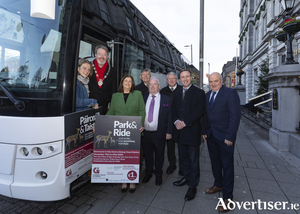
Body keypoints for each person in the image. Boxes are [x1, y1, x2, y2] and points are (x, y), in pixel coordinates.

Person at [202, 72, 241, 212]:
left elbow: (235, 116)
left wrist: (230, 136)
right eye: (211, 81)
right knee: (215, 163)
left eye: (216, 81)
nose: (213, 84)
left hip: (225, 138)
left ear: (222, 81)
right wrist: (204, 131)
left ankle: (228, 198)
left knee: (227, 166)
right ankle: (218, 184)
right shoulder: (207, 95)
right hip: (211, 136)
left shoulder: (230, 93)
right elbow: (206, 115)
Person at [106, 75, 145, 194]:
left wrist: (141, 124)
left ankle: (132, 180)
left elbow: (142, 110)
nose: (127, 83)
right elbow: (111, 111)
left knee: (133, 157)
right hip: (120, 130)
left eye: (130, 81)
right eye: (125, 81)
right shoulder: (115, 96)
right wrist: (100, 124)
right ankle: (124, 180)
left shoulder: (137, 94)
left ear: (132, 83)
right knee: (122, 156)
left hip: (133, 130)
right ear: (122, 83)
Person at [171, 69, 206, 201]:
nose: (185, 79)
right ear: (180, 79)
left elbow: (199, 111)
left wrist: (185, 122)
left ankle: (193, 186)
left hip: (192, 132)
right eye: (182, 77)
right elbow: (173, 108)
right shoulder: (178, 92)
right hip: (180, 132)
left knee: (193, 161)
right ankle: (186, 178)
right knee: (183, 159)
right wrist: (176, 122)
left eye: (187, 77)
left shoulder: (199, 93)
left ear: (191, 78)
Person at [142, 77, 172, 186]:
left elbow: (170, 117)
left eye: (155, 84)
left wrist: (169, 132)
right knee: (148, 155)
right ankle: (148, 172)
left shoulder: (167, 100)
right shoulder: (143, 98)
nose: (153, 87)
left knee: (159, 155)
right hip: (145, 133)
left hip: (160, 133)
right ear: (148, 86)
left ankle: (158, 175)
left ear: (159, 86)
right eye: (150, 85)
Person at [160, 72, 183, 175]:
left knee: (182, 146)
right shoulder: (163, 91)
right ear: (167, 80)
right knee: (170, 146)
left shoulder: (182, 89)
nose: (171, 80)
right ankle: (172, 164)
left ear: (176, 79)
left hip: (180, 122)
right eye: (169, 79)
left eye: (173, 78)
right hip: (168, 122)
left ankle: (183, 167)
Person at [89, 45, 117, 115]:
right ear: (95, 55)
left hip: (105, 107)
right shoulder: (88, 67)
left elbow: (114, 90)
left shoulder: (113, 71)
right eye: (99, 54)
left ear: (107, 57)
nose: (102, 57)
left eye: (104, 55)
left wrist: (112, 107)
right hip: (89, 105)